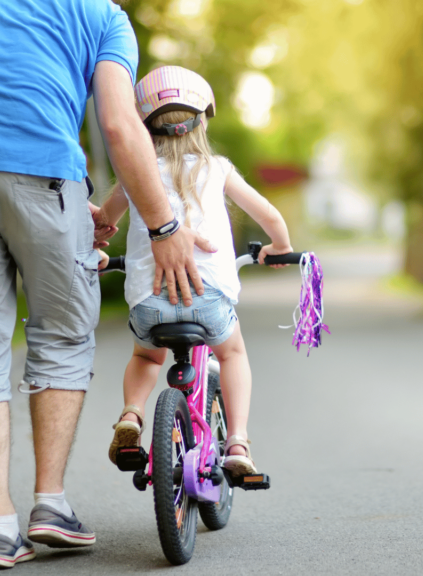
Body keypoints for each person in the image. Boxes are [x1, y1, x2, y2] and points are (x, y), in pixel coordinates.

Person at [0, 0, 215, 569]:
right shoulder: (104, 17)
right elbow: (120, 125)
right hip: (39, 158)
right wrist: (165, 225)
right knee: (63, 332)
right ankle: (50, 505)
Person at [99, 66, 293, 476]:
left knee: (147, 357)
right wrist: (280, 248)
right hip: (209, 301)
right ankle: (238, 440)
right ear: (202, 120)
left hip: (150, 303)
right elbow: (270, 215)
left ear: (143, 126)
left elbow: (104, 221)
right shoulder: (217, 168)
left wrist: (97, 248)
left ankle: (131, 415)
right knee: (234, 352)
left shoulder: (135, 174)